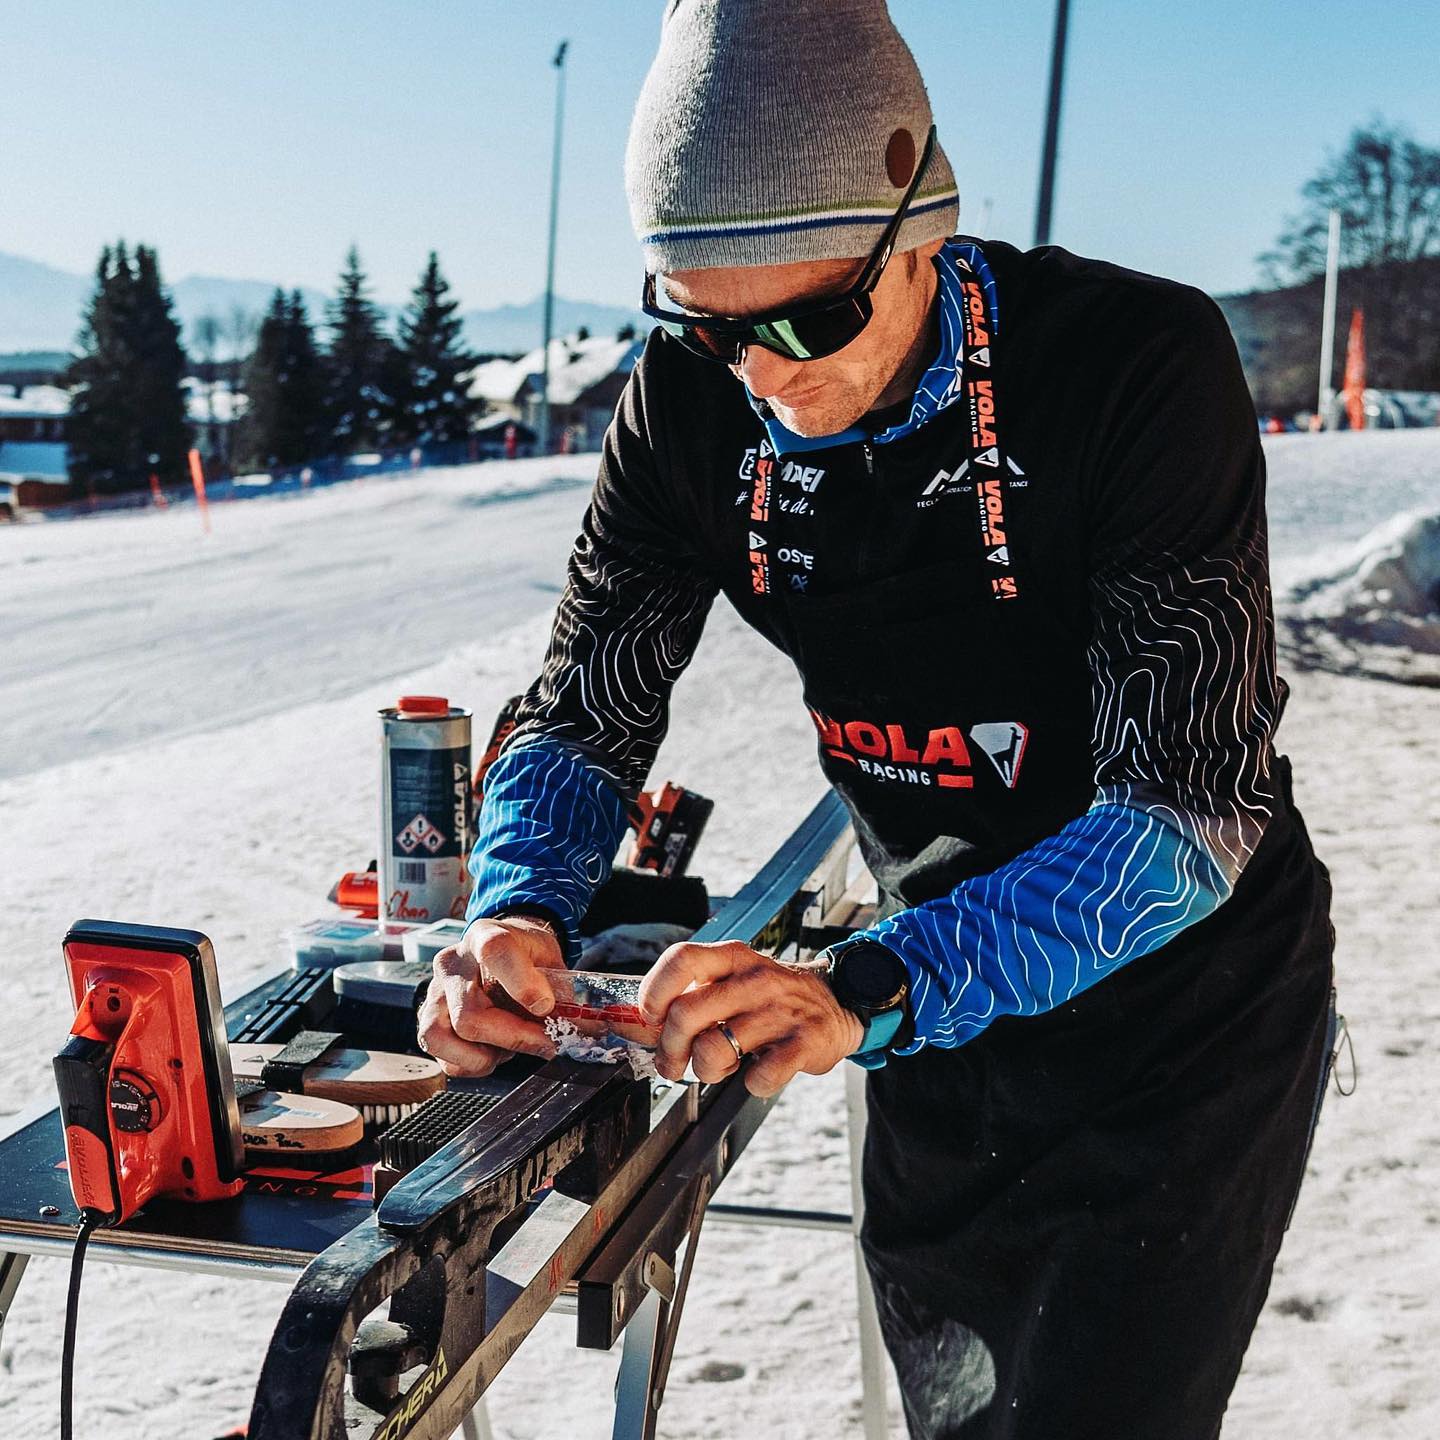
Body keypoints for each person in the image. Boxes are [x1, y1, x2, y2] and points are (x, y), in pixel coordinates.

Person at [416, 3, 1337, 1435]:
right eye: (712, 329)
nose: (769, 375)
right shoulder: (687, 411)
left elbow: (1184, 816)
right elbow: (584, 707)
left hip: (1179, 1022)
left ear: (923, 221)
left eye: (814, 317)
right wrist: (512, 905)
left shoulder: (1133, 366)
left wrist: (872, 983)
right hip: (922, 1016)